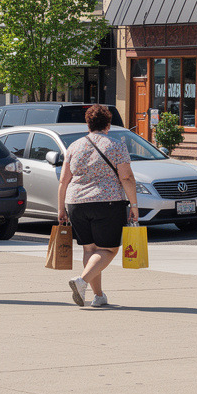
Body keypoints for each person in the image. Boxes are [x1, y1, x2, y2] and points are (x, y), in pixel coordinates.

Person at [57, 104, 139, 308]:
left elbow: (63, 181)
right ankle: (81, 281)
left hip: (75, 202)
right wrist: (135, 205)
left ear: (88, 124)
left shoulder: (74, 146)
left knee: (90, 249)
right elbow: (126, 177)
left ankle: (98, 296)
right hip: (107, 201)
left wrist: (61, 208)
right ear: (108, 125)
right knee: (109, 250)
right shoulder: (116, 145)